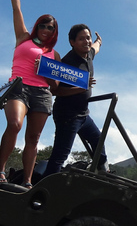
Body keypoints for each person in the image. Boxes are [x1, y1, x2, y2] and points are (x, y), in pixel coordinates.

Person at [0, 0, 60, 189]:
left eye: (50, 27)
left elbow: (56, 85)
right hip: (19, 87)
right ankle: (1, 170)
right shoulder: (24, 38)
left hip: (42, 94)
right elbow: (17, 11)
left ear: (54, 32)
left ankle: (28, 181)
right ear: (37, 26)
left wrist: (47, 71)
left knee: (33, 139)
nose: (45, 29)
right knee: (14, 124)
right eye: (42, 25)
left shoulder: (54, 54)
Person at [45, 23, 109, 176]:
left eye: (88, 38)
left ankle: (104, 173)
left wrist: (99, 41)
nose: (86, 41)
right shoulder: (67, 63)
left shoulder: (89, 55)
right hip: (67, 115)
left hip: (83, 114)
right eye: (81, 39)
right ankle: (43, 186)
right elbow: (55, 91)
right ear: (72, 42)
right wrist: (81, 88)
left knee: (98, 139)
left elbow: (95, 48)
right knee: (61, 154)